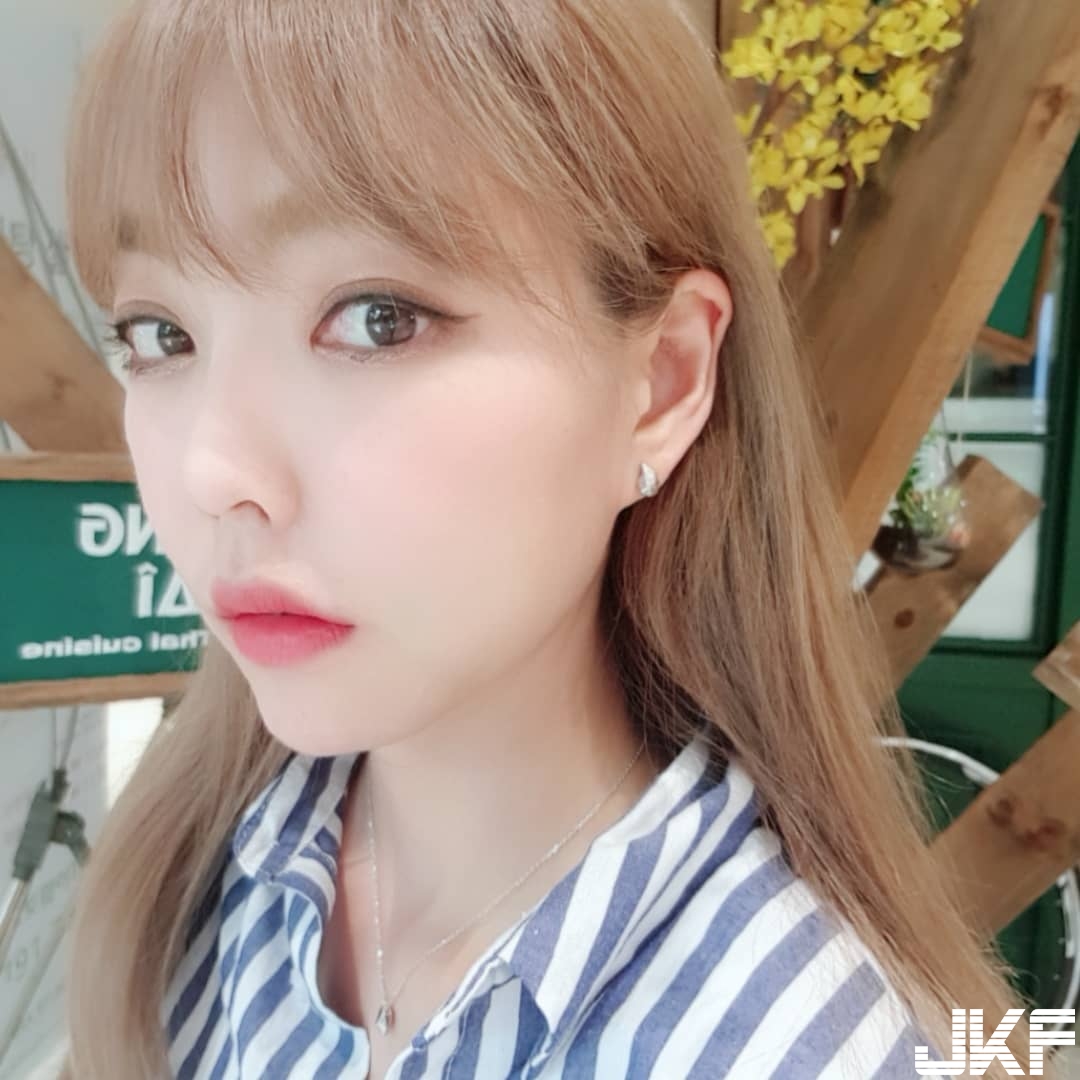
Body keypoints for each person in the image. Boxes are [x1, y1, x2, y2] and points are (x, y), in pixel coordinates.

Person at [58, 0, 1033, 1077]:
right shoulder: (198, 885)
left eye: (379, 317)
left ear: (660, 382)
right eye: (161, 335)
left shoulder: (804, 1047)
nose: (213, 471)